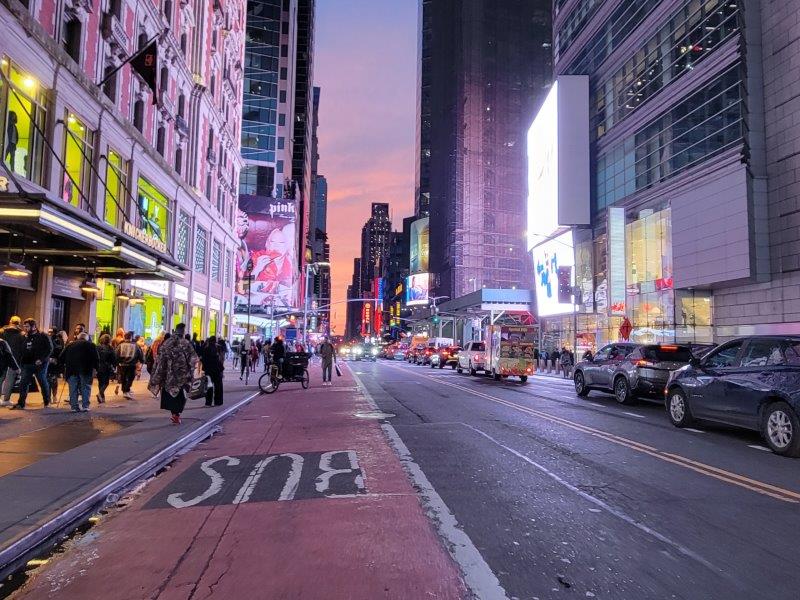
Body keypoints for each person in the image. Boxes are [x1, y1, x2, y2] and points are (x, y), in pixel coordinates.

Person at [149, 323, 198, 425]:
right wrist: (191, 371)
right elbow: (193, 359)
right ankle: (176, 415)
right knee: (181, 395)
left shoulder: (167, 342)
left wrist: (159, 372)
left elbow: (160, 359)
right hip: (181, 376)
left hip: (169, 376)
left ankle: (174, 414)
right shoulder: (185, 343)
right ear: (183, 331)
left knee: (170, 394)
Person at [9, 318, 53, 410]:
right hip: (26, 364)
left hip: (40, 364)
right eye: (24, 326)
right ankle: (21, 403)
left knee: (42, 381)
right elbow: (20, 349)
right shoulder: (24, 336)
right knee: (23, 383)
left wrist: (41, 359)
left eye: (27, 326)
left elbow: (49, 349)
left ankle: (47, 402)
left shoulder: (42, 336)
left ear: (33, 326)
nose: (25, 328)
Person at [61, 332, 98, 412]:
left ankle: (74, 407)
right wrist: (96, 369)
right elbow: (96, 359)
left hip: (71, 370)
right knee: (85, 388)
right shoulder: (91, 345)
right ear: (87, 338)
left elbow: (61, 357)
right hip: (86, 370)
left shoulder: (70, 345)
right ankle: (85, 406)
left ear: (78, 337)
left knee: (73, 388)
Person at [0, 316, 25, 406]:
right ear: (19, 323)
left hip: (2, 359)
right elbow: (23, 349)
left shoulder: (2, 331)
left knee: (0, 378)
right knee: (10, 379)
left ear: (10, 321)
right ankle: (6, 399)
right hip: (14, 359)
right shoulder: (22, 334)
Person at [115, 331, 143, 399]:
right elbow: (140, 354)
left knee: (123, 378)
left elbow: (116, 354)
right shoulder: (135, 345)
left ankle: (124, 391)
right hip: (132, 364)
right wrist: (141, 360)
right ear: (131, 337)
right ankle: (126, 390)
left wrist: (117, 362)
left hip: (122, 365)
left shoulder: (120, 345)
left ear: (125, 337)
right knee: (131, 378)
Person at [200, 335, 224, 407]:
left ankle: (208, 402)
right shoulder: (218, 348)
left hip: (209, 370)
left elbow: (203, 359)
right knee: (218, 386)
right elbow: (221, 359)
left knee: (209, 386)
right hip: (217, 369)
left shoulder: (206, 348)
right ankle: (218, 402)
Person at [96, 334, 117, 404]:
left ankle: (102, 398)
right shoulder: (110, 348)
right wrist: (114, 366)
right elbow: (114, 358)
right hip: (106, 367)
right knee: (106, 383)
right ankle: (100, 393)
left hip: (98, 366)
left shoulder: (97, 347)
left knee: (100, 382)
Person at [47, 328, 66, 403]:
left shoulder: (58, 340)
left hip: (55, 363)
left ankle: (54, 396)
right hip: (47, 363)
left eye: (51, 332)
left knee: (53, 380)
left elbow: (59, 351)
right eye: (48, 332)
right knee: (47, 380)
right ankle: (47, 397)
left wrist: (56, 360)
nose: (49, 333)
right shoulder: (47, 339)